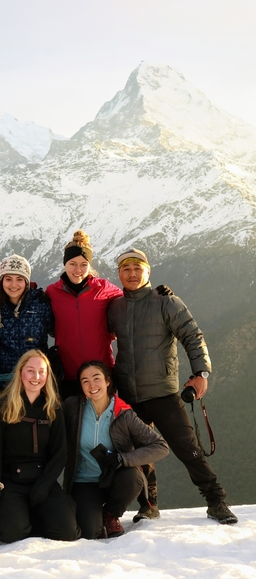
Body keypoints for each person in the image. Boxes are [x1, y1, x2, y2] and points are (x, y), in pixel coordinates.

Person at [107, 248, 238, 525]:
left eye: (137, 268)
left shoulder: (166, 301)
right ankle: (149, 505)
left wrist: (201, 373)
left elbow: (192, 335)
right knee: (140, 454)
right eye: (126, 269)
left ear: (148, 271)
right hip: (129, 395)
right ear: (119, 274)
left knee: (187, 448)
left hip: (163, 392)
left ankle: (216, 501)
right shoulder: (114, 307)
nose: (131, 274)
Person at [64, 361, 169, 539]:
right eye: (85, 381)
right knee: (90, 532)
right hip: (85, 481)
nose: (92, 385)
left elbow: (161, 447)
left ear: (107, 381)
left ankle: (111, 515)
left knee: (133, 477)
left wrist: (123, 459)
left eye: (96, 378)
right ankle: (96, 516)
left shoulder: (124, 414)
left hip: (116, 478)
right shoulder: (72, 408)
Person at [0, 349, 80, 544]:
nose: (36, 377)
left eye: (42, 371)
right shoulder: (4, 405)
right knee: (12, 534)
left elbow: (60, 453)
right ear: (21, 372)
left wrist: (44, 487)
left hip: (42, 479)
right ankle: (21, 517)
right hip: (11, 481)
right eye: (30, 370)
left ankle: (38, 515)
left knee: (67, 531)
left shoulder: (53, 407)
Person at [46, 230, 122, 399]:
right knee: (73, 424)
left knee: (104, 424)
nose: (78, 270)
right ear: (65, 263)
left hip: (102, 374)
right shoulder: (52, 291)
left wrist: (157, 295)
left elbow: (133, 299)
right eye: (73, 263)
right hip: (68, 374)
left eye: (83, 264)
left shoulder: (104, 288)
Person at [0, 255, 54, 402]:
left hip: (37, 382)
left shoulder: (41, 304)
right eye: (8, 279)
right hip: (6, 382)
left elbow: (57, 332)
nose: (14, 285)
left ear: (26, 281)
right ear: (1, 281)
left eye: (19, 279)